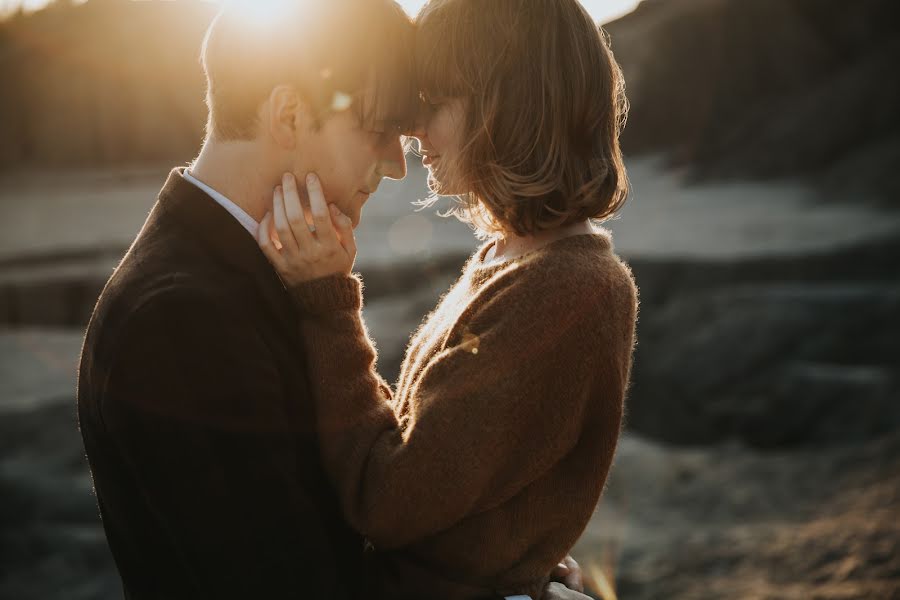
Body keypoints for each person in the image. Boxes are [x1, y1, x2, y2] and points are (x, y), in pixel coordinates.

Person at [77, 0, 589, 598]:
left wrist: (486, 562)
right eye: (378, 131)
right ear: (290, 115)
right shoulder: (179, 319)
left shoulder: (256, 269)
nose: (399, 165)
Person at [256, 0, 639, 598]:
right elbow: (444, 455)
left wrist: (328, 302)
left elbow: (388, 499)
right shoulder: (515, 258)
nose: (410, 128)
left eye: (434, 100)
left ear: (506, 105)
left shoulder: (566, 289)